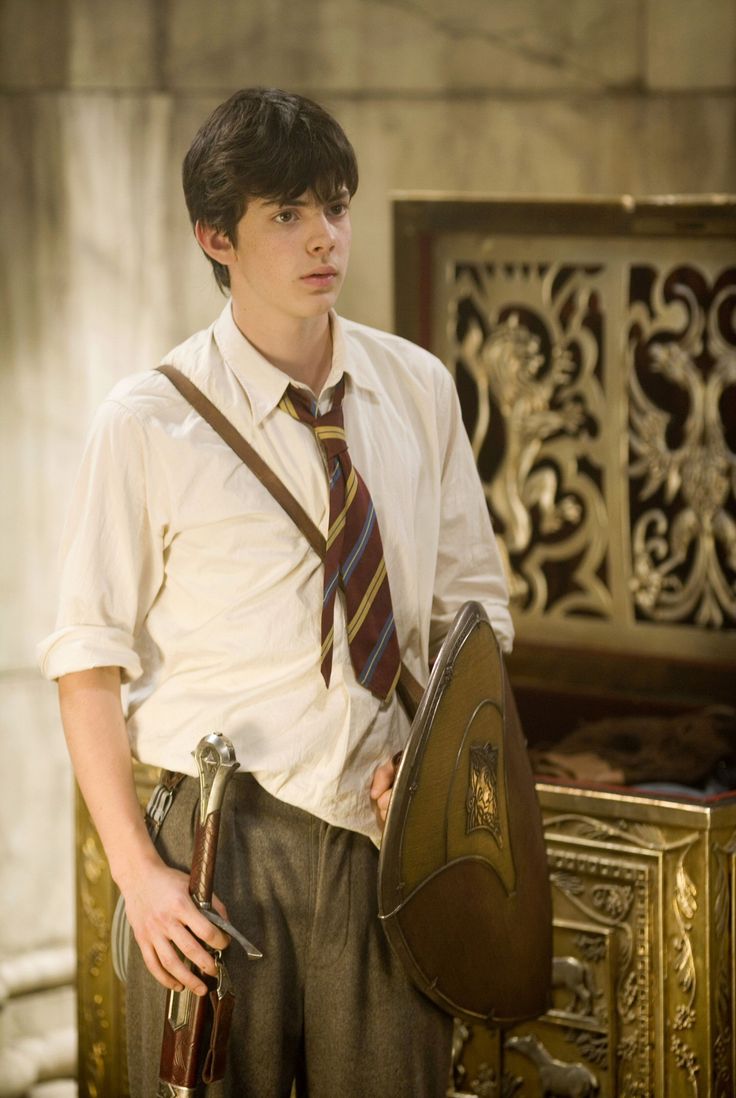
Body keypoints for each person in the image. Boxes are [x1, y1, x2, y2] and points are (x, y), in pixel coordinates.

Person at [38, 87, 514, 1097]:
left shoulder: (417, 388)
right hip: (220, 842)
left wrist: (432, 750)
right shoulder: (146, 424)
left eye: (334, 207)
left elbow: (474, 615)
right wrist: (140, 876)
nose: (323, 239)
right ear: (215, 236)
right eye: (286, 215)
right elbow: (85, 664)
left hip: (391, 839)